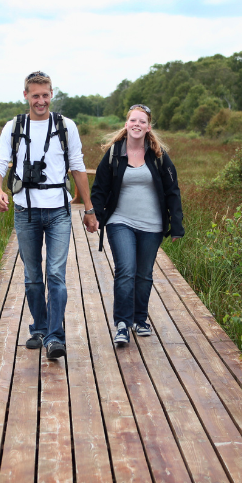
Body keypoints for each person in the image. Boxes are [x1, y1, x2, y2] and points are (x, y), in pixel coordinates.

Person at [0, 71, 98, 360]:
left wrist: (89, 209)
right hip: (25, 211)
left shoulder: (66, 126)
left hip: (59, 211)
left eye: (45, 95)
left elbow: (78, 167)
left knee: (56, 275)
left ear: (52, 94)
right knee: (33, 276)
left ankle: (54, 336)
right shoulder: (14, 127)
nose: (41, 101)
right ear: (25, 95)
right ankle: (38, 327)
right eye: (35, 95)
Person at [90, 104, 183, 347]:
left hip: (152, 225)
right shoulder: (114, 153)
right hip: (120, 221)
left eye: (142, 121)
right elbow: (99, 188)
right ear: (126, 124)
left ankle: (140, 319)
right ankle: (122, 323)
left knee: (143, 275)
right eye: (133, 120)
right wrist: (95, 215)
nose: (137, 124)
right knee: (126, 270)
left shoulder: (159, 155)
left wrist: (177, 224)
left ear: (148, 127)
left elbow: (173, 191)